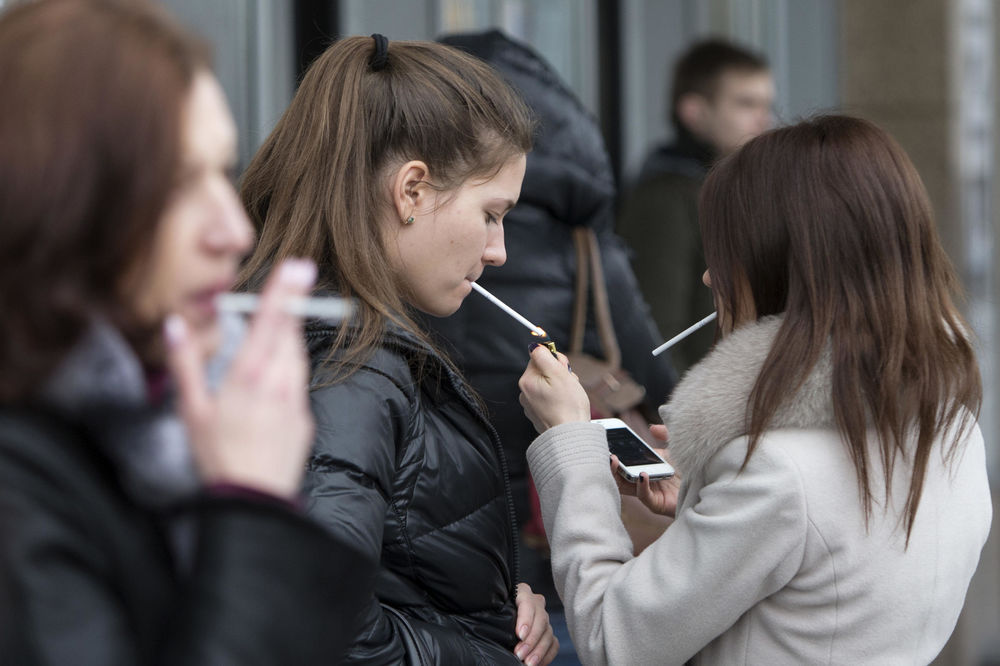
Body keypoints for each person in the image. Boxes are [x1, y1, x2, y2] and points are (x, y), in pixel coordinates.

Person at [518, 115, 992, 665]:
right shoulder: (953, 428)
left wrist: (571, 444)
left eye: (725, 250)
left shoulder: (775, 472)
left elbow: (611, 638)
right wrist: (707, 501)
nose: (709, 277)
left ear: (781, 261)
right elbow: (822, 573)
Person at [0, 0, 370, 664]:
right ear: (59, 203)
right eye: (177, 185)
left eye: (223, 174)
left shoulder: (139, 432)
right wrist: (253, 506)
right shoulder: (19, 488)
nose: (233, 231)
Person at [237, 34, 558, 665]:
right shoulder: (349, 365)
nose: (498, 252)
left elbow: (389, 575)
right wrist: (488, 648)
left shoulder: (325, 341)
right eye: (492, 214)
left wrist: (496, 606)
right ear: (412, 190)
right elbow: (323, 626)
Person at [425, 27, 677, 592]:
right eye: (490, 215)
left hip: (439, 545)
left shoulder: (391, 249)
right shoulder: (585, 250)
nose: (497, 252)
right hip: (550, 535)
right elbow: (656, 383)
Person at [617, 38, 773, 373]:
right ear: (695, 112)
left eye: (766, 105)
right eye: (746, 104)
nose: (763, 120)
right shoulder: (666, 197)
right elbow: (659, 336)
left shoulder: (738, 190)